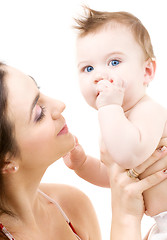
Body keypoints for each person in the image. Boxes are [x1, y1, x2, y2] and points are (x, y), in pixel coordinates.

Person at [0, 62, 166, 240]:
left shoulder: (71, 204)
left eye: (39, 90)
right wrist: (125, 217)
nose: (59, 105)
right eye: (39, 112)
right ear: (6, 162)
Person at [63, 7, 167, 218]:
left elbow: (128, 157)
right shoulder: (115, 120)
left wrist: (110, 108)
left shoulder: (148, 110)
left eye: (114, 62)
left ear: (146, 72)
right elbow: (116, 177)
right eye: (88, 68)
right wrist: (83, 165)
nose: (99, 75)